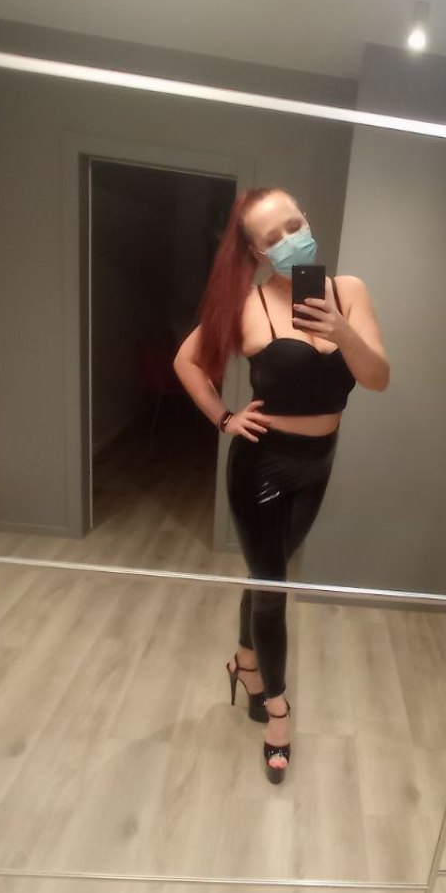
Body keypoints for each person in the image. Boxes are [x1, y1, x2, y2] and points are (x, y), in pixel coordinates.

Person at [173, 188, 390, 783]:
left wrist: (343, 332)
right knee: (273, 588)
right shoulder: (245, 306)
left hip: (320, 463)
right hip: (261, 467)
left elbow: (378, 378)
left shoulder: (349, 291)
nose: (291, 240)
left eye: (295, 225)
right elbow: (187, 362)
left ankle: (245, 664)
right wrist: (225, 418)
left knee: (265, 574)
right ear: (255, 252)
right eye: (273, 237)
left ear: (307, 220)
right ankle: (278, 713)